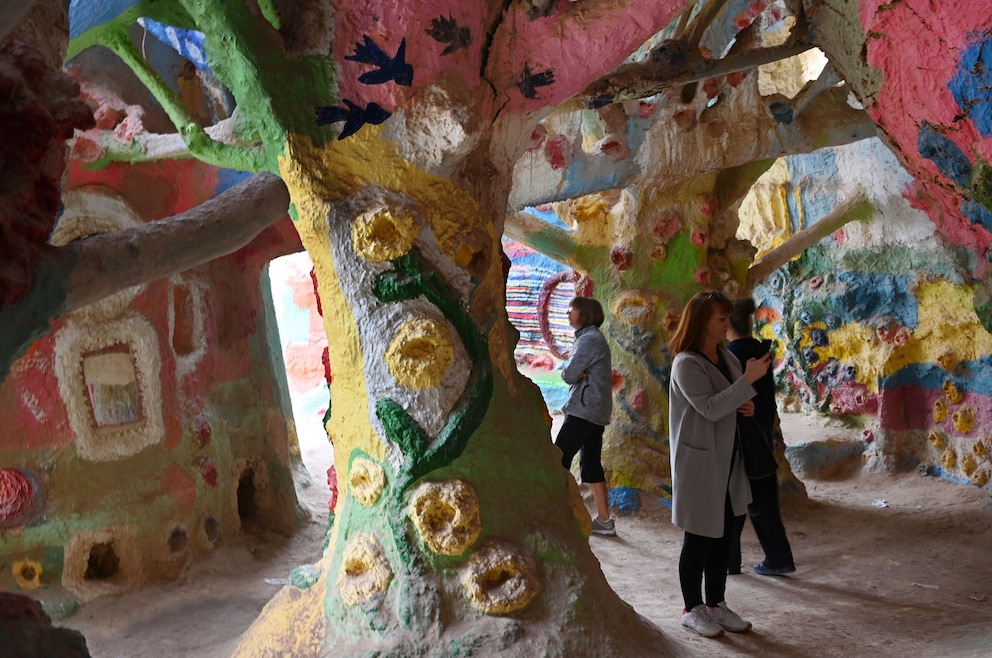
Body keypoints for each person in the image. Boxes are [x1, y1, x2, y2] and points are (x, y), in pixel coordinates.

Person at [668, 290, 772, 637]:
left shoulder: (725, 356)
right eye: (721, 318)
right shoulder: (686, 363)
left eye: (728, 318)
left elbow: (731, 402)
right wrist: (748, 382)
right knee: (698, 537)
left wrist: (748, 404)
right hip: (700, 463)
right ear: (702, 322)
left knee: (724, 535)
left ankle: (716, 604)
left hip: (730, 460)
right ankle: (691, 608)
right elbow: (710, 407)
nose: (729, 324)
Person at [726, 297, 796, 576]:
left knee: (731, 506)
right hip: (762, 436)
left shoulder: (729, 356)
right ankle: (779, 557)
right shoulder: (761, 351)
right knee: (764, 503)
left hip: (737, 441)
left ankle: (729, 561)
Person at [555, 296, 616, 537]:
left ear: (585, 314)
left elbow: (569, 373)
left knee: (558, 457)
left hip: (584, 409)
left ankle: (556, 512)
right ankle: (604, 520)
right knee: (590, 464)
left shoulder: (589, 339)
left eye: (572, 310)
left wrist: (572, 372)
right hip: (596, 410)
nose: (568, 313)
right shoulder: (593, 338)